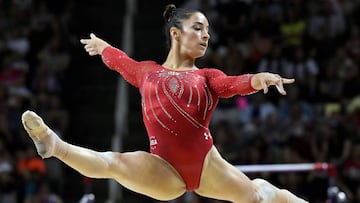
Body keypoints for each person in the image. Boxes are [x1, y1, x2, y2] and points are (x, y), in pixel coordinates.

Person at [21, 4, 308, 203]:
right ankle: (54, 145)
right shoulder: (147, 72)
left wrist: (259, 79)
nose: (206, 35)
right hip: (163, 169)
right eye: (198, 28)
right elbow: (123, 63)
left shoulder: (207, 76)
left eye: (208, 30)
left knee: (258, 196)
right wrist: (103, 48)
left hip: (207, 166)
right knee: (114, 163)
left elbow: (230, 85)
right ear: (175, 33)